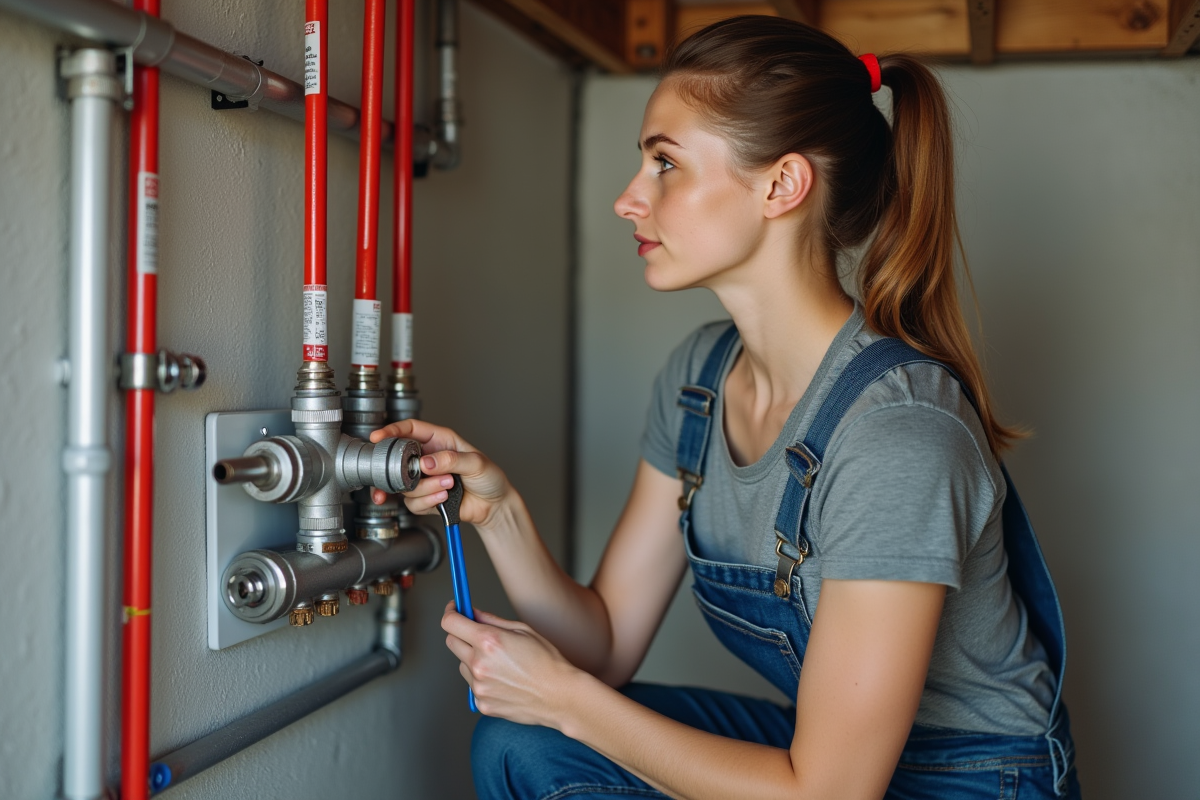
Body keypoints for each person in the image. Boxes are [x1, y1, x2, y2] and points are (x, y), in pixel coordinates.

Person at [371, 15, 1081, 800]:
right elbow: (605, 645)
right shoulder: (699, 382)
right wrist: (498, 513)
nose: (628, 199)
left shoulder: (897, 433)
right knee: (523, 740)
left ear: (781, 184)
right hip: (827, 751)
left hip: (971, 777)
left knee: (559, 716)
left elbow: (830, 792)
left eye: (664, 164)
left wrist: (567, 699)